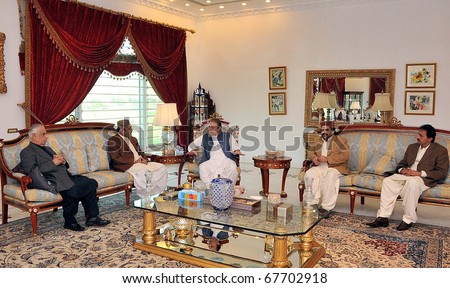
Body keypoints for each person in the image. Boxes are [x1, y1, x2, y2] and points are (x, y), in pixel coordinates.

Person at [17, 124, 110, 231]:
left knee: (90, 182)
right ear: (33, 136)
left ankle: (92, 217)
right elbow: (33, 171)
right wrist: (53, 162)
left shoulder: (48, 148)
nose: (46, 136)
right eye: (43, 134)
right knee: (73, 190)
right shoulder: (26, 152)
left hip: (65, 176)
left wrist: (63, 161)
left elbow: (62, 165)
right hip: (52, 180)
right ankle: (69, 221)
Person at [366, 124, 449, 231]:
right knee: (388, 181)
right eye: (418, 134)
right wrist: (402, 170)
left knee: (412, 183)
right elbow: (402, 163)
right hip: (406, 176)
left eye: (421, 135)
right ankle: (383, 217)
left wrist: (419, 173)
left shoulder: (440, 150)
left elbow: (441, 172)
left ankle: (408, 220)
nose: (417, 137)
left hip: (423, 178)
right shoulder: (412, 147)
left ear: (430, 138)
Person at [108, 119, 168, 198]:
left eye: (131, 128)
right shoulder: (113, 140)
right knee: (144, 171)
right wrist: (134, 161)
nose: (132, 130)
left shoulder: (133, 139)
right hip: (127, 165)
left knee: (161, 167)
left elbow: (141, 152)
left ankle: (158, 193)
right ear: (122, 129)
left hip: (140, 162)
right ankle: (147, 197)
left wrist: (145, 160)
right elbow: (116, 158)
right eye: (129, 128)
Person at [304, 121, 349, 215]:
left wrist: (327, 159)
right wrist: (314, 158)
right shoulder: (317, 140)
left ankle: (326, 208)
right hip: (320, 167)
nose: (324, 132)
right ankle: (312, 203)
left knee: (330, 175)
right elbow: (310, 152)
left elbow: (345, 156)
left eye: (327, 130)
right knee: (309, 174)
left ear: (332, 130)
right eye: (322, 130)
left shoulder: (341, 140)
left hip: (335, 167)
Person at [187, 118, 243, 185]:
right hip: (209, 160)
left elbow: (235, 147)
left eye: (213, 127)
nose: (210, 129)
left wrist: (237, 151)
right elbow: (191, 146)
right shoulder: (205, 137)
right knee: (203, 167)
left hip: (225, 159)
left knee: (232, 167)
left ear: (219, 128)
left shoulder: (228, 136)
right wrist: (192, 150)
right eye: (209, 127)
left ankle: (227, 188)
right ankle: (211, 188)